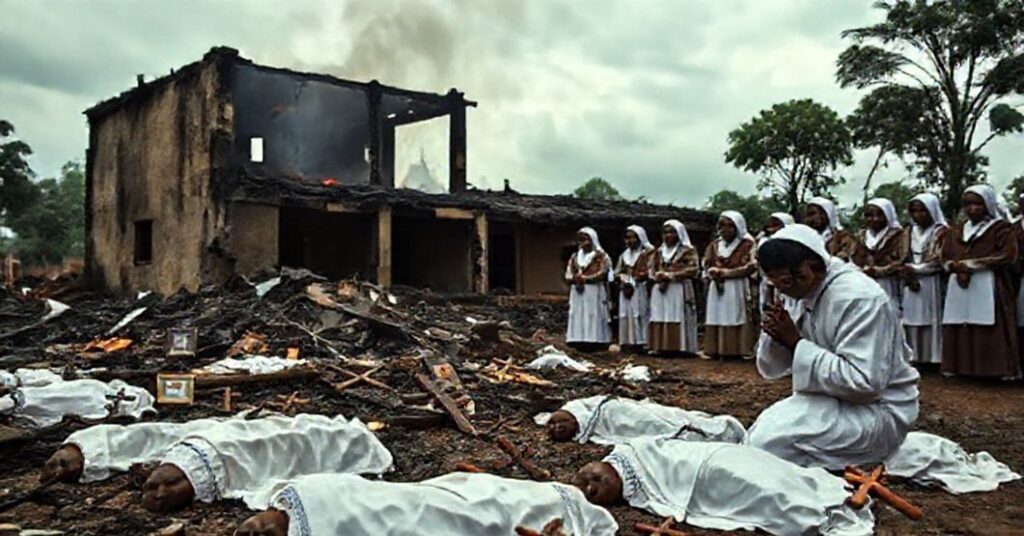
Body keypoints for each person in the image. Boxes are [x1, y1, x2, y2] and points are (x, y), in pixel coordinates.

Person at [748, 224, 920, 469]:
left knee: (769, 444)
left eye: (787, 281)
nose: (784, 290)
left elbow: (865, 383)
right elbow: (772, 369)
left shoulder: (860, 298)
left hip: (877, 411)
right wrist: (775, 336)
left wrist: (795, 343)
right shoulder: (798, 290)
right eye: (776, 284)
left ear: (815, 269)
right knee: (759, 437)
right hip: (828, 400)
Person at [573, 437, 874, 536]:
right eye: (591, 491)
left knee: (762, 470)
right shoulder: (637, 494)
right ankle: (815, 511)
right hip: (703, 484)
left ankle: (823, 493)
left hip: (708, 458)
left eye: (588, 475)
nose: (592, 483)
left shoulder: (632, 449)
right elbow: (666, 494)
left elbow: (669, 450)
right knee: (761, 492)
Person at [138, 414, 393, 513]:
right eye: (153, 487)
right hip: (217, 451)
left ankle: (352, 441)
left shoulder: (209, 464)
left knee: (297, 439)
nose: (160, 493)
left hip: (239, 445)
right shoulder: (192, 465)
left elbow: (249, 445)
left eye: (170, 483)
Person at [236, 472, 619, 536]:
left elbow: (356, 490)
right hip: (407, 518)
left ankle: (552, 499)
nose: (255, 532)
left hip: (410, 497)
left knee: (467, 498)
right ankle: (552, 502)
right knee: (468, 518)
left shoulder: (293, 491)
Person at [940, 184, 1021, 379]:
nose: (972, 208)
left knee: (989, 322)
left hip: (990, 281)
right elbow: (944, 256)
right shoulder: (956, 231)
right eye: (968, 204)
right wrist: (955, 267)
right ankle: (960, 367)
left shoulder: (1001, 229)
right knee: (960, 321)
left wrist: (973, 265)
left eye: (978, 203)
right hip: (959, 283)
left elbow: (1008, 256)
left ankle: (993, 369)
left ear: (988, 204)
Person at [41, 417, 226, 484]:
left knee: (174, 433)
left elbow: (128, 436)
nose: (62, 468)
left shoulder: (87, 440)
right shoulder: (94, 464)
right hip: (144, 446)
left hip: (145, 436)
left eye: (61, 463)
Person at [545, 395, 746, 445]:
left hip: (618, 411)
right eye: (555, 430)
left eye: (554, 422)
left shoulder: (580, 405)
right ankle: (706, 433)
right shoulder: (589, 432)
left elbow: (610, 402)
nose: (557, 426)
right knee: (655, 428)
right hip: (616, 424)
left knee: (660, 417)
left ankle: (715, 428)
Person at [703, 211, 758, 358]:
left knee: (734, 314)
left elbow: (751, 267)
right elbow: (706, 263)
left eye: (730, 226)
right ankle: (715, 349)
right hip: (716, 285)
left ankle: (735, 350)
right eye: (721, 225)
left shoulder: (747, 244)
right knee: (716, 314)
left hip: (736, 285)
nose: (725, 229)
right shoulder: (714, 245)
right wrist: (712, 272)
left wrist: (727, 273)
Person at [901, 193, 948, 365]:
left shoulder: (941, 231)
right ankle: (914, 355)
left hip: (932, 281)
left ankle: (933, 357)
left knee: (931, 317)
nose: (918, 215)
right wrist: (906, 270)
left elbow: (939, 259)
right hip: (909, 279)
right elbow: (902, 255)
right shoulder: (908, 232)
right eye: (914, 211)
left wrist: (915, 268)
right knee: (910, 317)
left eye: (923, 210)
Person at [0, 376, 154, 428]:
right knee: (54, 394)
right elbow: (63, 386)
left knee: (56, 402)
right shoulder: (97, 386)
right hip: (49, 394)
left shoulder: (101, 412)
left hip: (85, 406)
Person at [647, 219, 699, 354]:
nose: (668, 235)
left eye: (672, 232)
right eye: (665, 232)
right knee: (660, 315)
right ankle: (660, 346)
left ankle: (678, 347)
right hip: (660, 288)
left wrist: (671, 276)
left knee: (675, 315)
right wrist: (657, 276)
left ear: (679, 234)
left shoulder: (688, 250)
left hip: (678, 287)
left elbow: (693, 269)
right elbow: (651, 268)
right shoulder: (659, 252)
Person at [854, 198, 908, 310]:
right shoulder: (861, 236)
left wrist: (878, 271)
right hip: (865, 281)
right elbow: (855, 257)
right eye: (869, 215)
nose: (874, 219)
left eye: (879, 215)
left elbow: (901, 259)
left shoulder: (898, 235)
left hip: (890, 283)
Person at [564, 227, 612, 348]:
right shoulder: (575, 257)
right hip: (578, 290)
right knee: (578, 313)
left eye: (585, 240)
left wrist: (587, 278)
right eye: (580, 240)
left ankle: (595, 340)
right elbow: (568, 271)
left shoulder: (601, 256)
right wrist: (573, 278)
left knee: (592, 313)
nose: (582, 243)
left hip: (593, 289)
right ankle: (577, 338)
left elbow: (603, 272)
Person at [615, 225, 654, 349]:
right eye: (627, 238)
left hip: (641, 287)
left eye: (632, 237)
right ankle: (628, 341)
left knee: (641, 313)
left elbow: (651, 270)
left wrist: (637, 279)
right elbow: (616, 272)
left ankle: (643, 341)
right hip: (626, 287)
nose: (629, 241)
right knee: (626, 313)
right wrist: (624, 280)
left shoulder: (648, 253)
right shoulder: (624, 255)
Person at [757, 212, 795, 312]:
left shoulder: (792, 243)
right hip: (766, 281)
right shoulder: (763, 241)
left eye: (776, 224)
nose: (772, 226)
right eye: (771, 223)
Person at [804, 197, 858, 261]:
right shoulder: (805, 237)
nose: (808, 219)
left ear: (825, 214)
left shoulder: (842, 237)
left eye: (812, 214)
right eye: (807, 215)